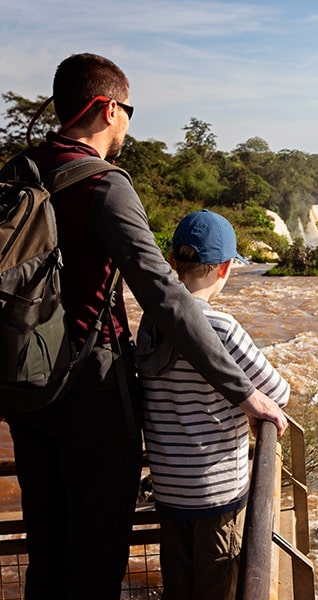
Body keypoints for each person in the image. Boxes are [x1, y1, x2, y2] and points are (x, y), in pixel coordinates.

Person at [4, 53, 287, 600]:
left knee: (48, 551)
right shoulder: (102, 185)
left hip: (22, 389)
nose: (129, 123)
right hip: (89, 397)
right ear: (109, 108)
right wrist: (245, 392)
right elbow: (166, 298)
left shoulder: (20, 172)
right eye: (129, 110)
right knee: (94, 555)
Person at [135, 210, 290, 600]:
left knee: (179, 589)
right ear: (224, 269)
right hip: (216, 494)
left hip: (169, 492)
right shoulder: (220, 326)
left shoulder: (151, 324)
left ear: (173, 261)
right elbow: (278, 391)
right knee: (217, 587)